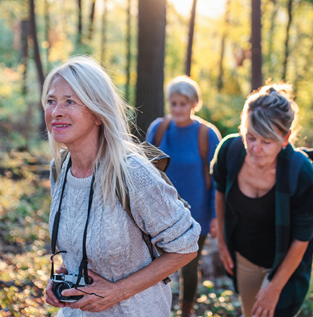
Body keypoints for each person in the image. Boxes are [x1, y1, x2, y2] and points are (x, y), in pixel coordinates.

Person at [43, 56, 201, 317]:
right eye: (51, 101)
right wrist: (65, 275)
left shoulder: (132, 173)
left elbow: (186, 246)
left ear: (97, 113)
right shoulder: (59, 168)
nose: (56, 111)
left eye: (70, 101)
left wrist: (118, 291)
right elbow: (83, 239)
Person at [211, 84, 313, 317]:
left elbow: (302, 239)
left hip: (286, 264)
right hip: (244, 258)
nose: (255, 149)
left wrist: (274, 288)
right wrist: (223, 243)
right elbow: (219, 192)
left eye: (266, 142)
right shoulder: (229, 150)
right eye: (250, 137)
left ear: (285, 138)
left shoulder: (301, 172)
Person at [146, 76, 221, 317]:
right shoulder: (158, 129)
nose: (178, 109)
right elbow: (144, 170)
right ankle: (158, 308)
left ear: (193, 104)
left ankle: (186, 311)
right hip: (160, 211)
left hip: (195, 214)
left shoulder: (206, 135)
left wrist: (215, 215)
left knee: (188, 267)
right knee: (156, 266)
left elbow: (217, 180)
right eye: (174, 103)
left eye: (183, 103)